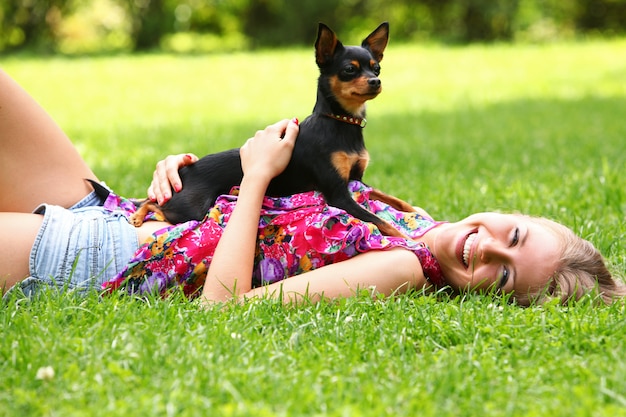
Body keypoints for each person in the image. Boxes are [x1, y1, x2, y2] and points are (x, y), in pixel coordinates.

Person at [0, 68, 623, 306]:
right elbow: (285, 204)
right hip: (123, 213)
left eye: (505, 274)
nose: (488, 249)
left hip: (102, 256)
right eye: (513, 236)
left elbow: (224, 307)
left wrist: (254, 175)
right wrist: (187, 174)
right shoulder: (415, 223)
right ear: (509, 213)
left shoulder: (400, 268)